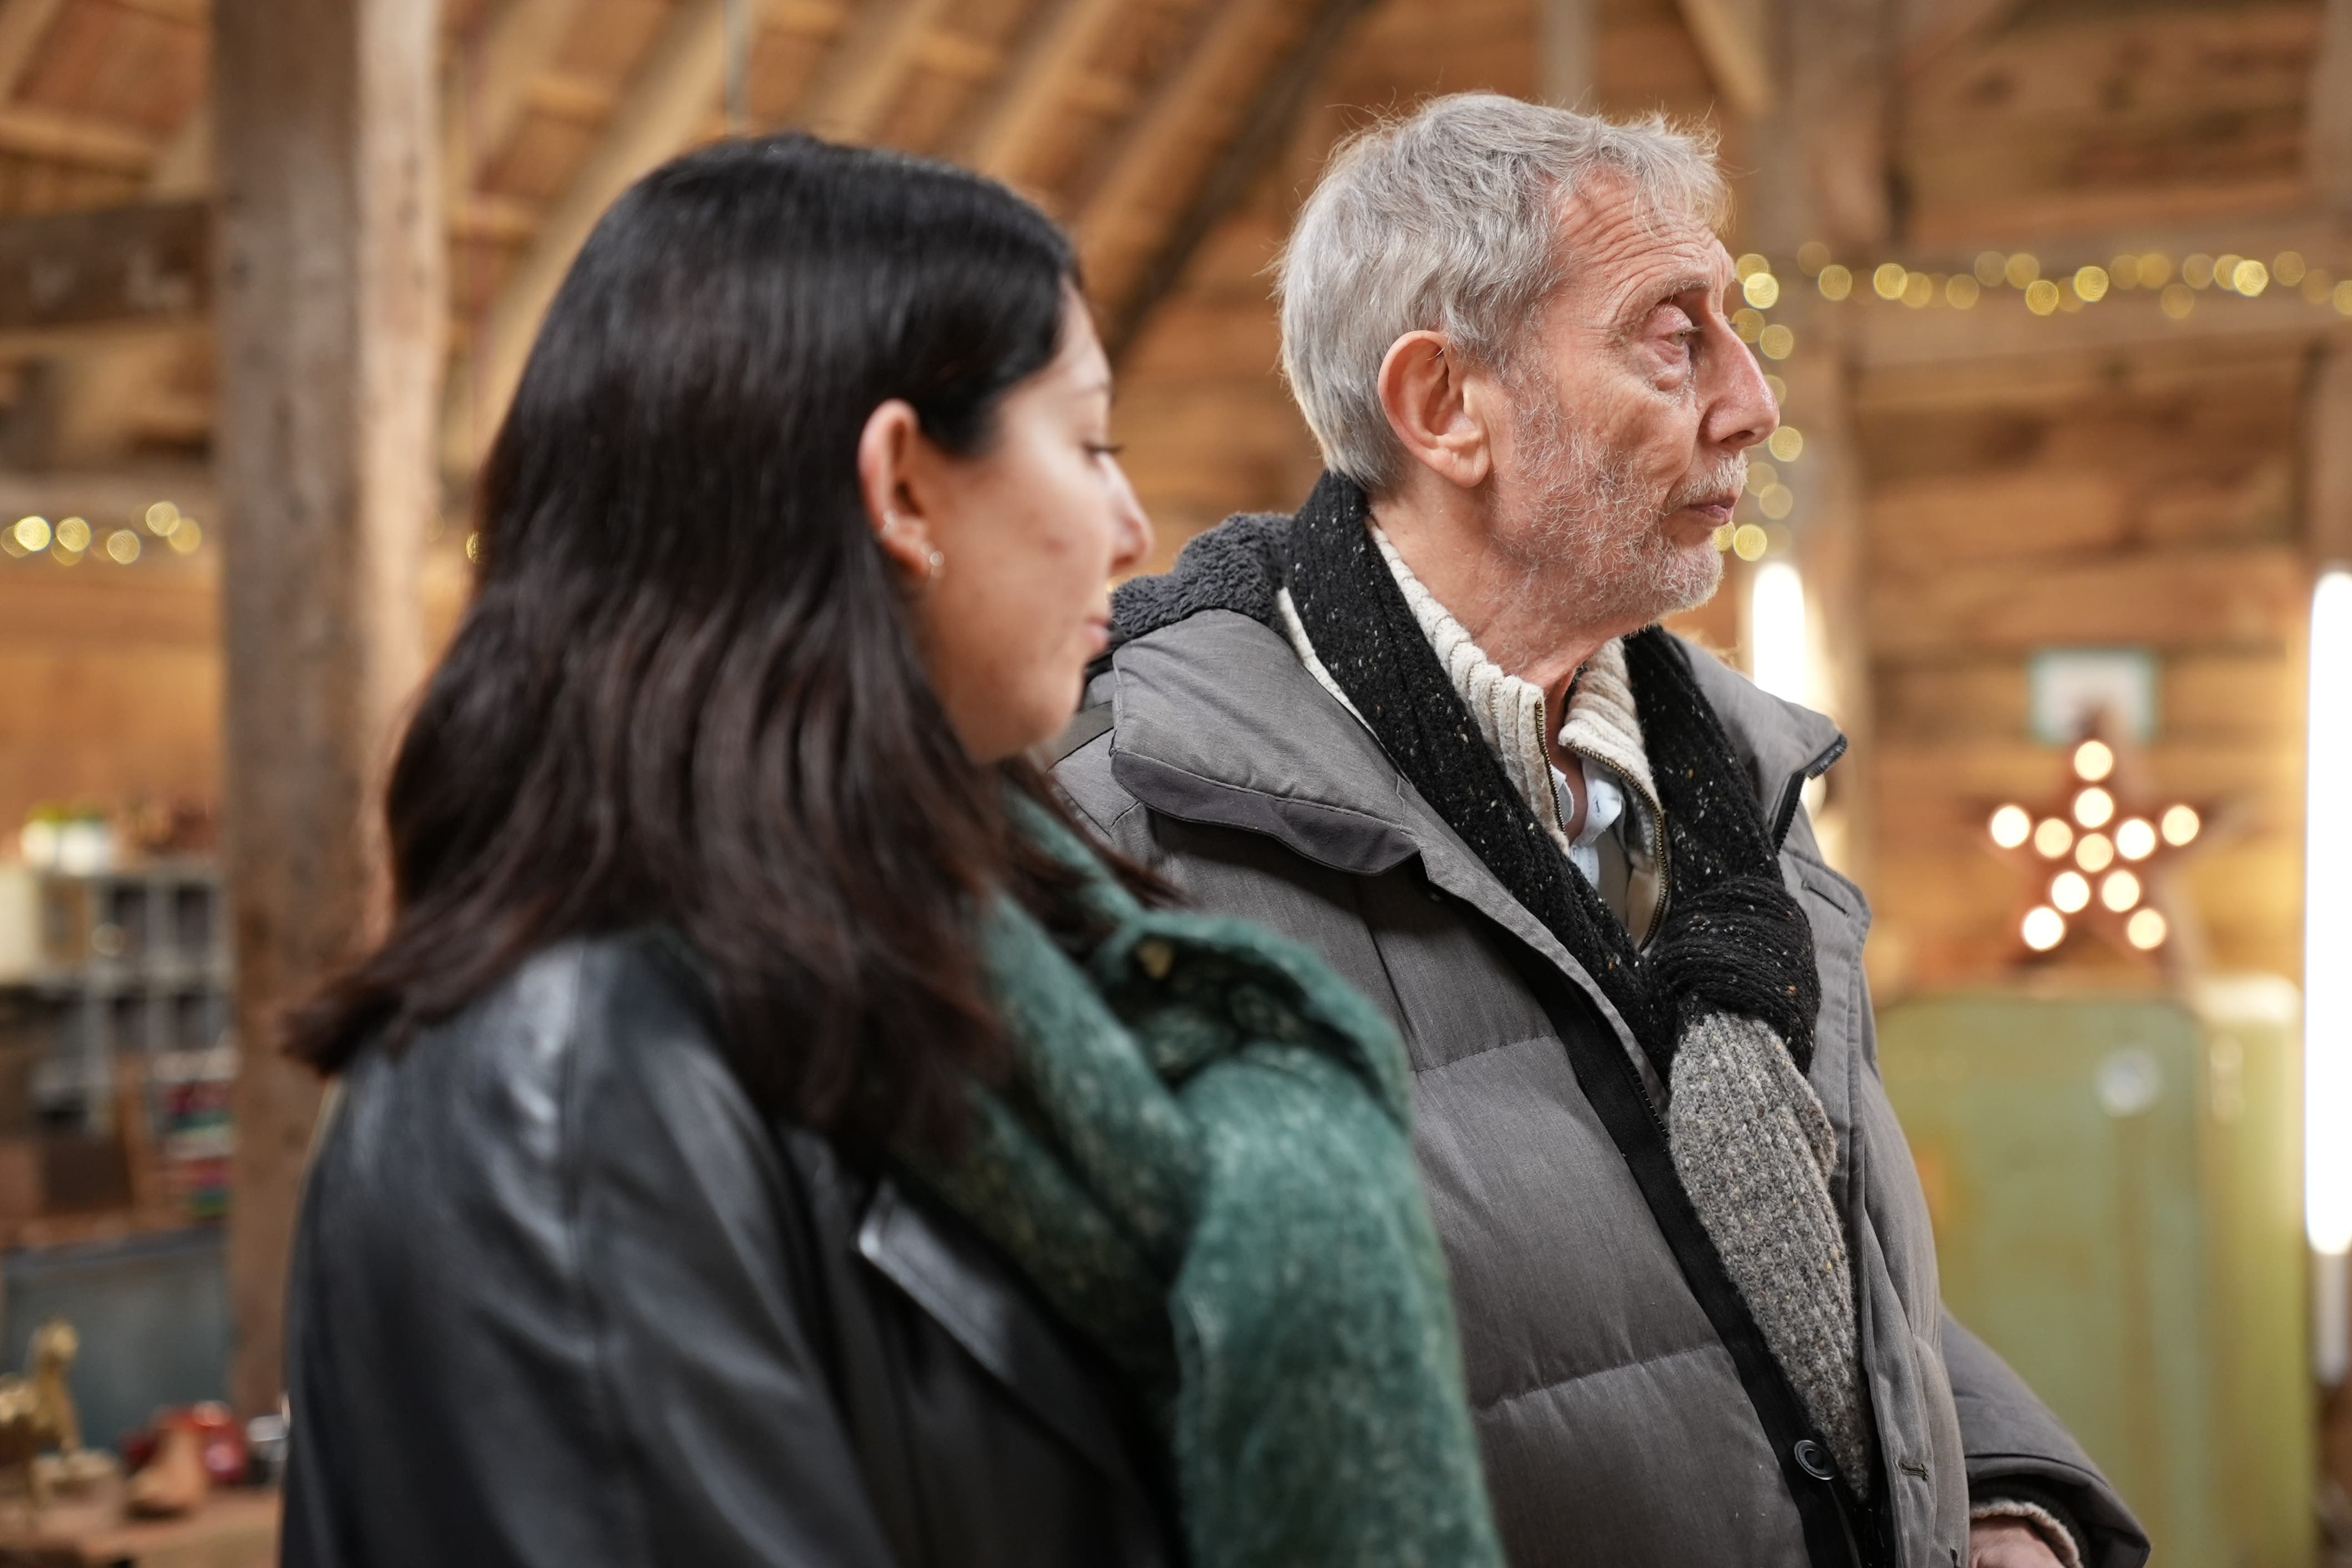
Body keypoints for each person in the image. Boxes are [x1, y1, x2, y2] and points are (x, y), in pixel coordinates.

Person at [277, 134, 1504, 1568]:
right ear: (904, 486)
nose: (1130, 523)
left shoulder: (976, 975)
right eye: (1090, 441)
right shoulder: (559, 1100)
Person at [1054, 94, 2152, 1568]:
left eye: (1734, 325)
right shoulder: (1135, 838)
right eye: (1670, 334)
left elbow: (1786, 1265)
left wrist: (2010, 1498)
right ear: (1445, 406)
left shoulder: (1733, 784)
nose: (1752, 399)